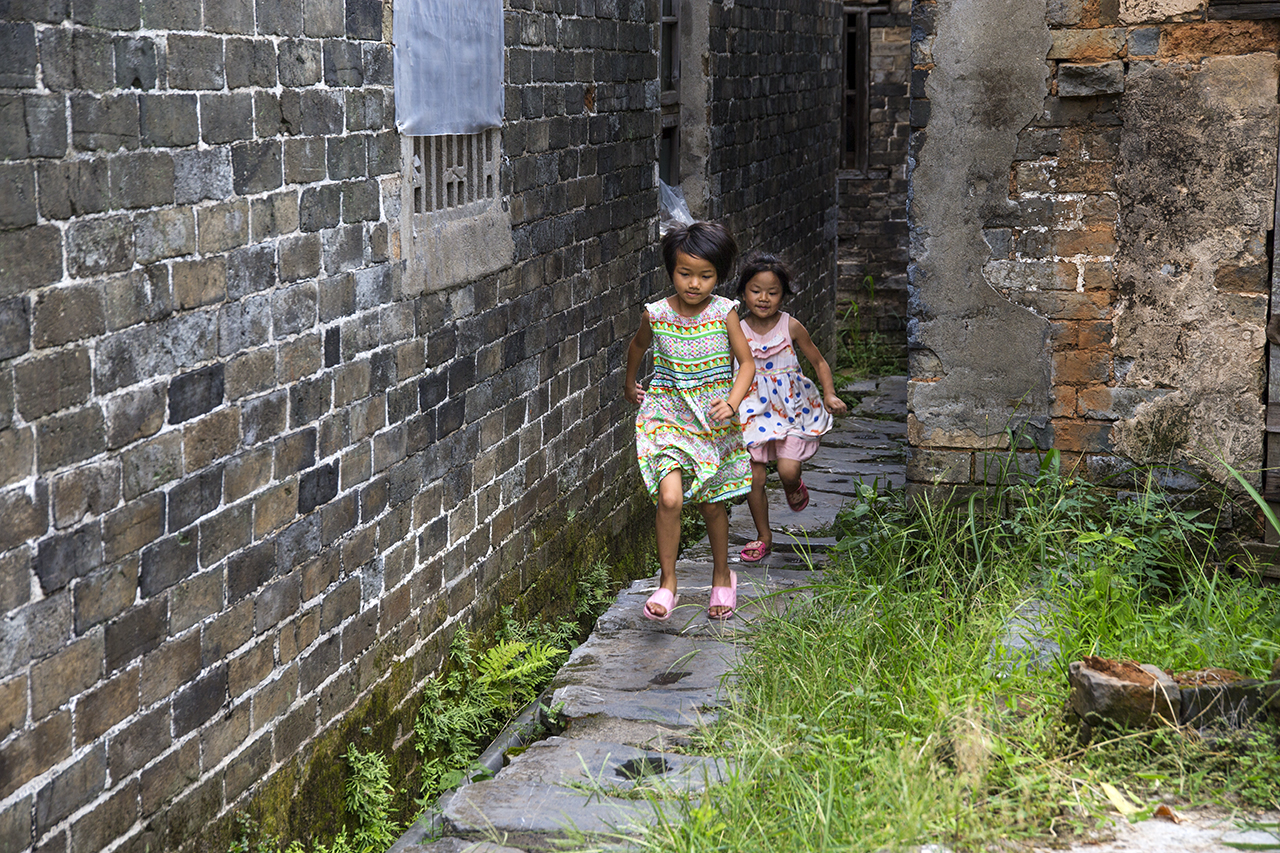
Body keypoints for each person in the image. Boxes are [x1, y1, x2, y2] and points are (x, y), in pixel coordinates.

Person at [625, 222, 756, 621]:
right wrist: (630, 383)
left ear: (719, 276)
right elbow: (637, 346)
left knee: (712, 505)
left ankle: (722, 575)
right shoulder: (656, 314)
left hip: (711, 419)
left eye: (706, 276)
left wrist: (732, 402)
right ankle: (668, 584)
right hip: (666, 413)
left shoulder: (724, 312)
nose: (695, 284)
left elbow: (747, 364)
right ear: (672, 270)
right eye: (685, 273)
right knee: (670, 498)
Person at [734, 252, 847, 562]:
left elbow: (819, 361)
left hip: (791, 409)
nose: (763, 298)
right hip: (751, 411)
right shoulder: (736, 329)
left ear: (783, 295)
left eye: (772, 292)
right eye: (756, 290)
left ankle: (793, 485)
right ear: (743, 292)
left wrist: (829, 394)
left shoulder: (790, 326)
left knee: (787, 469)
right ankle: (763, 537)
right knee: (754, 479)